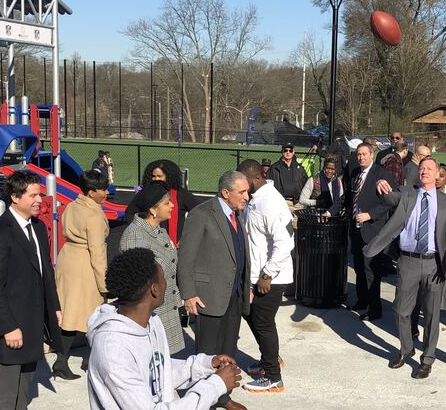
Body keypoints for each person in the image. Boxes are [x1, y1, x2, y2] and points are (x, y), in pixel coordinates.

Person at [87, 248, 242, 409]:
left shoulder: (152, 320)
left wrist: (205, 365)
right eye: (164, 279)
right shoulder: (111, 350)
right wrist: (216, 386)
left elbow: (159, 372)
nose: (167, 284)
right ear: (154, 289)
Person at [368, 157, 446, 379]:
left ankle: (427, 359)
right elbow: (390, 198)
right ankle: (406, 348)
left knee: (431, 314)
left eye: (429, 169)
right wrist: (380, 186)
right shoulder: (407, 194)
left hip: (433, 263)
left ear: (438, 174)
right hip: (408, 261)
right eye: (421, 168)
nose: (424, 172)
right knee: (401, 309)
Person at [0, 170, 62, 409]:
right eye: (33, 195)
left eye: (40, 194)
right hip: (12, 327)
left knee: (24, 390)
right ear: (15, 197)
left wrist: (54, 307)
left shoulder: (36, 228)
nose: (39, 200)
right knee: (7, 394)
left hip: (33, 323)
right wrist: (8, 327)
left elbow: (46, 272)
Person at [178, 170, 251, 410]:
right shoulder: (201, 214)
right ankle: (202, 401)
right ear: (225, 192)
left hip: (233, 297)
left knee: (228, 350)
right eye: (242, 192)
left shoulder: (236, 214)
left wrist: (245, 285)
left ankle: (222, 396)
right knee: (207, 356)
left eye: (247, 191)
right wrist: (188, 293)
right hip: (207, 298)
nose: (247, 196)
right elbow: (186, 259)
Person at [236, 160, 295, 393]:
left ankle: (273, 377)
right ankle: (270, 359)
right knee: (251, 315)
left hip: (271, 276)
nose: (239, 183)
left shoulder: (269, 202)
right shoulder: (257, 198)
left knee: (263, 322)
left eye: (242, 179)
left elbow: (285, 241)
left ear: (255, 179)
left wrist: (267, 274)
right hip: (257, 273)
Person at [53, 170, 111, 380]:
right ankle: (87, 360)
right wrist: (105, 284)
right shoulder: (93, 215)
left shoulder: (72, 205)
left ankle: (62, 359)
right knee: (94, 316)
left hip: (68, 258)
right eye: (103, 189)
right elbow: (97, 253)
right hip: (84, 265)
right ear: (91, 192)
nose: (106, 192)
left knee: (69, 313)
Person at [119, 182, 185, 354]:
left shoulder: (159, 230)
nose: (172, 205)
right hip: (150, 317)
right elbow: (134, 286)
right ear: (152, 210)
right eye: (166, 203)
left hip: (167, 312)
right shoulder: (134, 236)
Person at [345, 142, 396, 320]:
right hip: (357, 230)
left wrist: (370, 215)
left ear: (372, 155)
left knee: (370, 271)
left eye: (364, 154)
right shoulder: (355, 174)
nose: (361, 157)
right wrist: (330, 212)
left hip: (372, 230)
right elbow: (349, 198)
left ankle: (374, 309)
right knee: (359, 267)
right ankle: (362, 300)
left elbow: (389, 202)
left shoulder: (381, 175)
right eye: (358, 154)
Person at [126, 160, 203, 242]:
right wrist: (140, 230)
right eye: (154, 176)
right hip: (149, 242)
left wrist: (189, 235)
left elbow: (202, 212)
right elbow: (129, 214)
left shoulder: (181, 195)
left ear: (169, 177)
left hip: (174, 246)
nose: (156, 179)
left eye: (160, 176)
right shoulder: (145, 193)